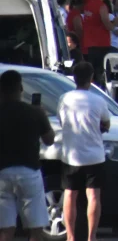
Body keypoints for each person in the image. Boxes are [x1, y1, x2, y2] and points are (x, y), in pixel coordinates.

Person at [57, 62, 111, 241]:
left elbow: (61, 120)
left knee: (70, 194)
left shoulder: (64, 98)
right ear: (91, 78)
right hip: (94, 155)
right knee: (93, 195)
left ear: (74, 78)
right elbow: (106, 124)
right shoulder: (98, 100)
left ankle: (70, 237)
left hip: (71, 155)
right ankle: (91, 236)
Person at [0, 69, 56, 241]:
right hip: (29, 171)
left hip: (2, 172)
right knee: (36, 228)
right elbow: (49, 140)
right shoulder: (35, 112)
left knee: (5, 228)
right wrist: (43, 118)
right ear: (21, 88)